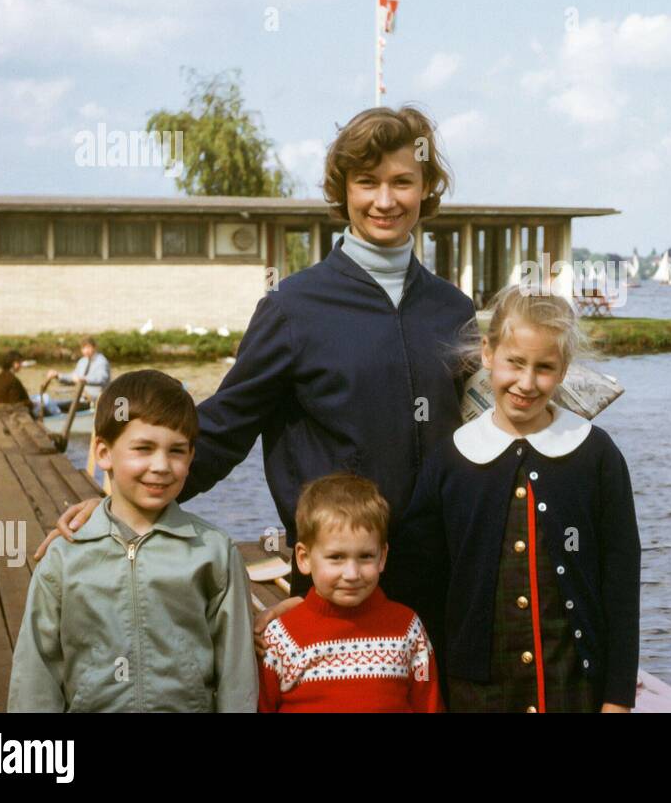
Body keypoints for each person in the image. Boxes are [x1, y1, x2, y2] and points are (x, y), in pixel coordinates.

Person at [34, 106, 475, 615]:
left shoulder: (452, 309)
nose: (384, 200)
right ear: (343, 190)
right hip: (339, 582)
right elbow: (225, 423)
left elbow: (484, 432)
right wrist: (123, 507)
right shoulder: (294, 308)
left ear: (426, 188)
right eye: (366, 182)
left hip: (448, 575)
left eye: (402, 182)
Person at [392, 284, 640, 713]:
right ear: (488, 354)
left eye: (545, 367)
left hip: (574, 686)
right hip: (476, 693)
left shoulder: (596, 455)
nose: (526, 382)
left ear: (563, 371)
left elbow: (620, 582)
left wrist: (617, 698)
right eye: (515, 363)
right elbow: (419, 584)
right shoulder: (450, 460)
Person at [7, 370, 257, 711]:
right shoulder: (64, 558)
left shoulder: (214, 552)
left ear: (192, 456)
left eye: (177, 451)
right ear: (104, 453)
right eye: (143, 448)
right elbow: (36, 673)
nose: (161, 466)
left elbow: (237, 673)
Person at [257, 474, 441, 712]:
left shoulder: (408, 629)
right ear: (304, 559)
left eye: (365, 556)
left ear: (382, 556)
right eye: (336, 558)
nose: (352, 573)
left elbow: (429, 705)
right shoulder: (281, 638)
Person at [34, 337, 111, 415]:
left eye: (88, 347)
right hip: (81, 399)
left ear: (94, 347)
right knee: (50, 405)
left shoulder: (102, 361)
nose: (86, 351)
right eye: (83, 348)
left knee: (61, 407)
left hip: (95, 402)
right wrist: (58, 375)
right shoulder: (82, 362)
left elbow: (102, 379)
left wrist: (84, 380)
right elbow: (73, 377)